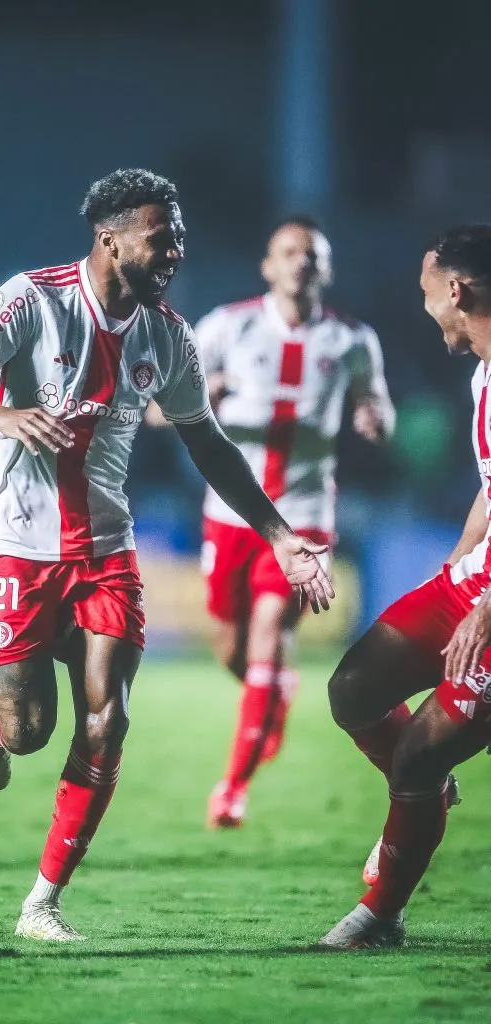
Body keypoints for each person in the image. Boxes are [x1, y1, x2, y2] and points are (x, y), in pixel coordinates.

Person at [0, 168, 334, 942]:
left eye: (180, 237)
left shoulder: (168, 336)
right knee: (27, 729)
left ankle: (42, 902)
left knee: (107, 721)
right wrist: (3, 417)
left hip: (107, 547)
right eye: (160, 237)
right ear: (109, 238)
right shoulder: (30, 300)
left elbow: (208, 443)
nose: (175, 251)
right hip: (18, 539)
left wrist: (280, 537)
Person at [191, 216, 395, 829]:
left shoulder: (352, 339)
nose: (301, 263)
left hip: (305, 518)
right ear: (268, 265)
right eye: (289, 252)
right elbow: (156, 407)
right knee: (231, 649)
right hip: (230, 514)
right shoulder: (226, 326)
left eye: (312, 255)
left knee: (271, 630)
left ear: (325, 270)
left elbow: (381, 407)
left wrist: (374, 419)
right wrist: (203, 397)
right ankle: (274, 693)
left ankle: (232, 787)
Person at [319, 225, 491, 949]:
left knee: (420, 752)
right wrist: (456, 569)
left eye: (425, 292)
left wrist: (484, 609)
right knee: (353, 689)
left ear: (454, 290)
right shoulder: (483, 372)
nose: (422, 306)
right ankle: (423, 792)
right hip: (475, 582)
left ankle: (378, 917)